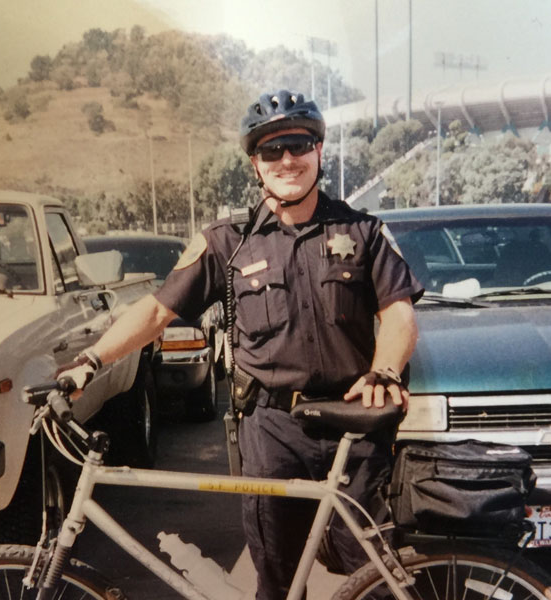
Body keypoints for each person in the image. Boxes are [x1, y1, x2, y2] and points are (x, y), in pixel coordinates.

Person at [58, 89, 423, 599]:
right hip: (272, 431)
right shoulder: (227, 241)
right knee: (274, 577)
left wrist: (384, 370)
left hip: (352, 425)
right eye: (271, 150)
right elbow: (158, 310)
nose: (287, 159)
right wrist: (91, 360)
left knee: (377, 575)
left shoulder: (362, 231)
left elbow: (399, 312)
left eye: (298, 144)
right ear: (255, 163)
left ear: (319, 151)